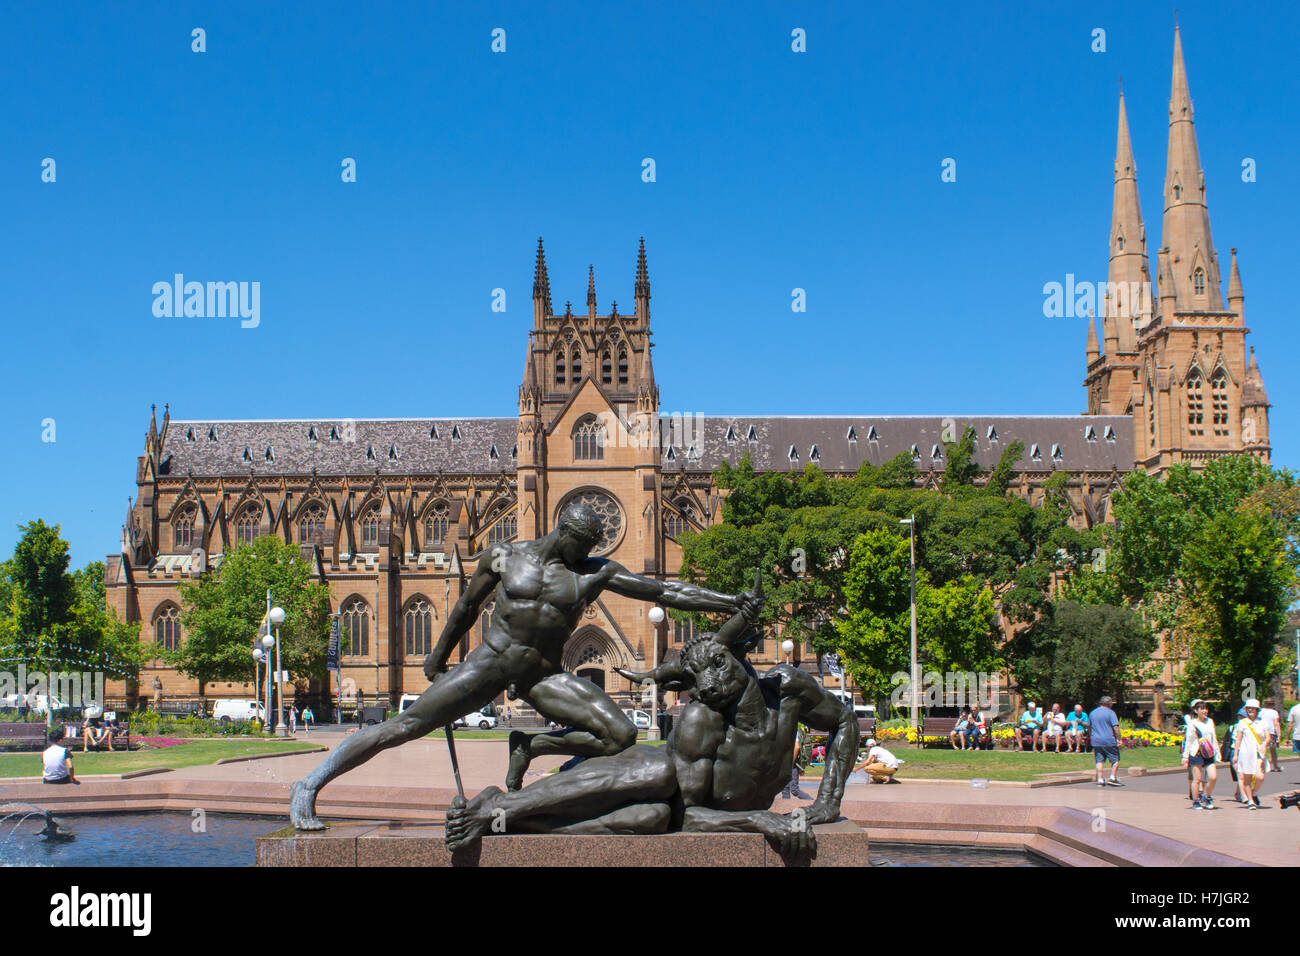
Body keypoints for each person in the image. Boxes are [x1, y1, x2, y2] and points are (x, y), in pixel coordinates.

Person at [289, 503, 759, 830]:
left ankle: (531, 746)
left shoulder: (595, 572)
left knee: (620, 733)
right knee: (405, 725)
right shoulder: (504, 557)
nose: (588, 553)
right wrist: (437, 656)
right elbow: (464, 610)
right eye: (584, 544)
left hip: (544, 674)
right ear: (565, 534)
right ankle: (310, 784)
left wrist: (728, 601)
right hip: (491, 662)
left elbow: (664, 592)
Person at [444, 594, 859, 861]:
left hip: (665, 810)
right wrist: (760, 821)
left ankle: (505, 815)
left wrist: (827, 803)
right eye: (700, 678)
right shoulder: (703, 720)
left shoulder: (788, 689)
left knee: (651, 818)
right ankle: (500, 810)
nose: (713, 683)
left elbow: (844, 720)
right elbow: (693, 815)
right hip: (651, 775)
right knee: (658, 776)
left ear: (741, 656)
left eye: (718, 663)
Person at [1181, 699, 1220, 810]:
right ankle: (1196, 800)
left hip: (1209, 753)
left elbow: (1213, 738)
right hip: (1197, 753)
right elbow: (1188, 741)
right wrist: (1185, 757)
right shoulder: (1192, 724)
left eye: (1206, 708)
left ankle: (1206, 796)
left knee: (1213, 777)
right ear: (1196, 711)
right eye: (1202, 709)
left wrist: (1217, 752)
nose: (1205, 711)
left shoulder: (1210, 722)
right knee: (1197, 779)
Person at [1232, 699, 1267, 810]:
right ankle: (1250, 801)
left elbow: (1268, 736)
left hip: (1258, 753)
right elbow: (1238, 739)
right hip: (1246, 753)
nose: (1250, 710)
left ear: (1257, 710)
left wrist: (1264, 743)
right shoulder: (1242, 723)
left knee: (1259, 776)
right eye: (1248, 708)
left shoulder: (1262, 722)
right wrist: (1236, 754)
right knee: (1246, 778)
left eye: (1252, 708)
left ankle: (1254, 793)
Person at [1089, 695, 1123, 786]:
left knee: (1099, 760)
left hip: (1096, 740)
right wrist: (1119, 739)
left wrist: (1091, 736)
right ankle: (1112, 778)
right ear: (1109, 704)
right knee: (1115, 760)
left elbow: (1089, 727)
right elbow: (1115, 727)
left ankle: (1100, 779)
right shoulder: (1111, 713)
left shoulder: (1092, 713)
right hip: (1108, 740)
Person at [780, 724, 812, 800]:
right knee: (785, 789)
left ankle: (811, 802)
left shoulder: (791, 729)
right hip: (786, 762)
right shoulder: (787, 729)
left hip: (792, 762)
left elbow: (797, 747)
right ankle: (786, 807)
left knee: (794, 789)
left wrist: (790, 762)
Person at [1258, 697, 1281, 772]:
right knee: (1273, 750)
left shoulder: (1260, 711)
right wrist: (1278, 734)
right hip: (1271, 732)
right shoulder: (1274, 712)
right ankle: (1275, 766)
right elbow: (1276, 724)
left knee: (1262, 749)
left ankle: (1262, 766)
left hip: (1262, 731)